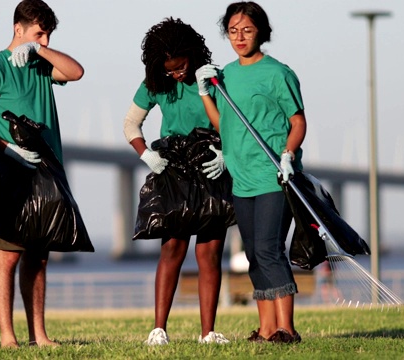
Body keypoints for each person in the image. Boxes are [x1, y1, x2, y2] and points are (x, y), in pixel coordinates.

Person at [0, 0, 84, 348]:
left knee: (39, 256)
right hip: (12, 171)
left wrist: (40, 50)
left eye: (47, 34)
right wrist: (10, 149)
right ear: (18, 28)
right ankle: (7, 337)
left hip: (49, 169)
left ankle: (39, 335)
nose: (44, 40)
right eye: (38, 33)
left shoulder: (41, 63)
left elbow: (76, 72)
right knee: (8, 254)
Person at [196, 1, 306, 344]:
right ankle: (267, 327)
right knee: (254, 253)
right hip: (241, 180)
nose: (239, 37)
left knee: (271, 248)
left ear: (261, 32)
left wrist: (288, 155)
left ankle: (287, 327)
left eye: (247, 30)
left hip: (274, 175)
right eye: (232, 31)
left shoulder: (278, 73)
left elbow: (298, 121)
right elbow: (223, 125)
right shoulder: (224, 76)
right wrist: (205, 92)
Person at [123, 17, 230, 346]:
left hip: (210, 163)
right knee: (172, 249)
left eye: (180, 66)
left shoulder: (214, 78)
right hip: (172, 167)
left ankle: (208, 333)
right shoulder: (155, 82)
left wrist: (226, 152)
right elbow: (130, 123)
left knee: (209, 253)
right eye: (170, 69)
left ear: (191, 54)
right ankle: (158, 330)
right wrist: (145, 154)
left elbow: (230, 121)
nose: (176, 73)